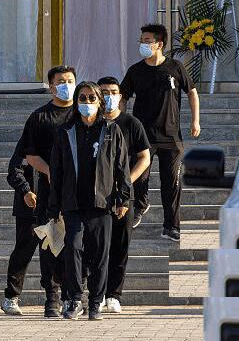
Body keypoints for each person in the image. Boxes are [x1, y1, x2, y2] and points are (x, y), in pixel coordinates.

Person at [48, 82, 132, 321]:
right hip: (72, 202)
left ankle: (96, 302)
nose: (87, 102)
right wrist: (54, 205)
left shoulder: (111, 130)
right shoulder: (65, 131)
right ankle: (75, 299)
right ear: (76, 102)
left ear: (99, 102)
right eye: (82, 98)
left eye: (91, 98)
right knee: (73, 248)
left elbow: (122, 167)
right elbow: (56, 169)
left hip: (101, 203)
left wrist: (123, 198)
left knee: (100, 254)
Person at [120, 24, 201, 242]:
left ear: (159, 44)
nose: (143, 44)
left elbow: (192, 92)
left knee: (171, 183)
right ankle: (141, 204)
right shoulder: (135, 71)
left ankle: (171, 226)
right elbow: (123, 97)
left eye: (147, 41)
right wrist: (122, 122)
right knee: (139, 177)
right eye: (141, 41)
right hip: (142, 136)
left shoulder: (175, 67)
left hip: (171, 137)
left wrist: (195, 120)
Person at [20, 65, 76, 317]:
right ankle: (52, 297)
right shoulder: (40, 117)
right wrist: (50, 171)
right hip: (49, 191)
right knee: (49, 242)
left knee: (76, 242)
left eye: (70, 80)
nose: (66, 85)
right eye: (61, 81)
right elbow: (30, 154)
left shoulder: (83, 114)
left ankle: (73, 294)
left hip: (79, 192)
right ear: (51, 86)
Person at [98, 76, 151, 314]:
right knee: (97, 245)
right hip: (96, 194)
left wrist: (126, 181)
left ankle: (113, 295)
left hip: (123, 195)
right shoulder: (90, 123)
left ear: (120, 97)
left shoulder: (131, 123)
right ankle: (97, 293)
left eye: (113, 92)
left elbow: (144, 157)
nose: (109, 97)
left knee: (120, 245)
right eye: (104, 93)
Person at [1, 139, 38, 316]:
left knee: (60, 254)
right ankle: (11, 296)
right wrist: (26, 190)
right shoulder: (27, 142)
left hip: (55, 205)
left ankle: (65, 298)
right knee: (23, 251)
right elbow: (14, 171)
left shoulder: (63, 136)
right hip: (29, 206)